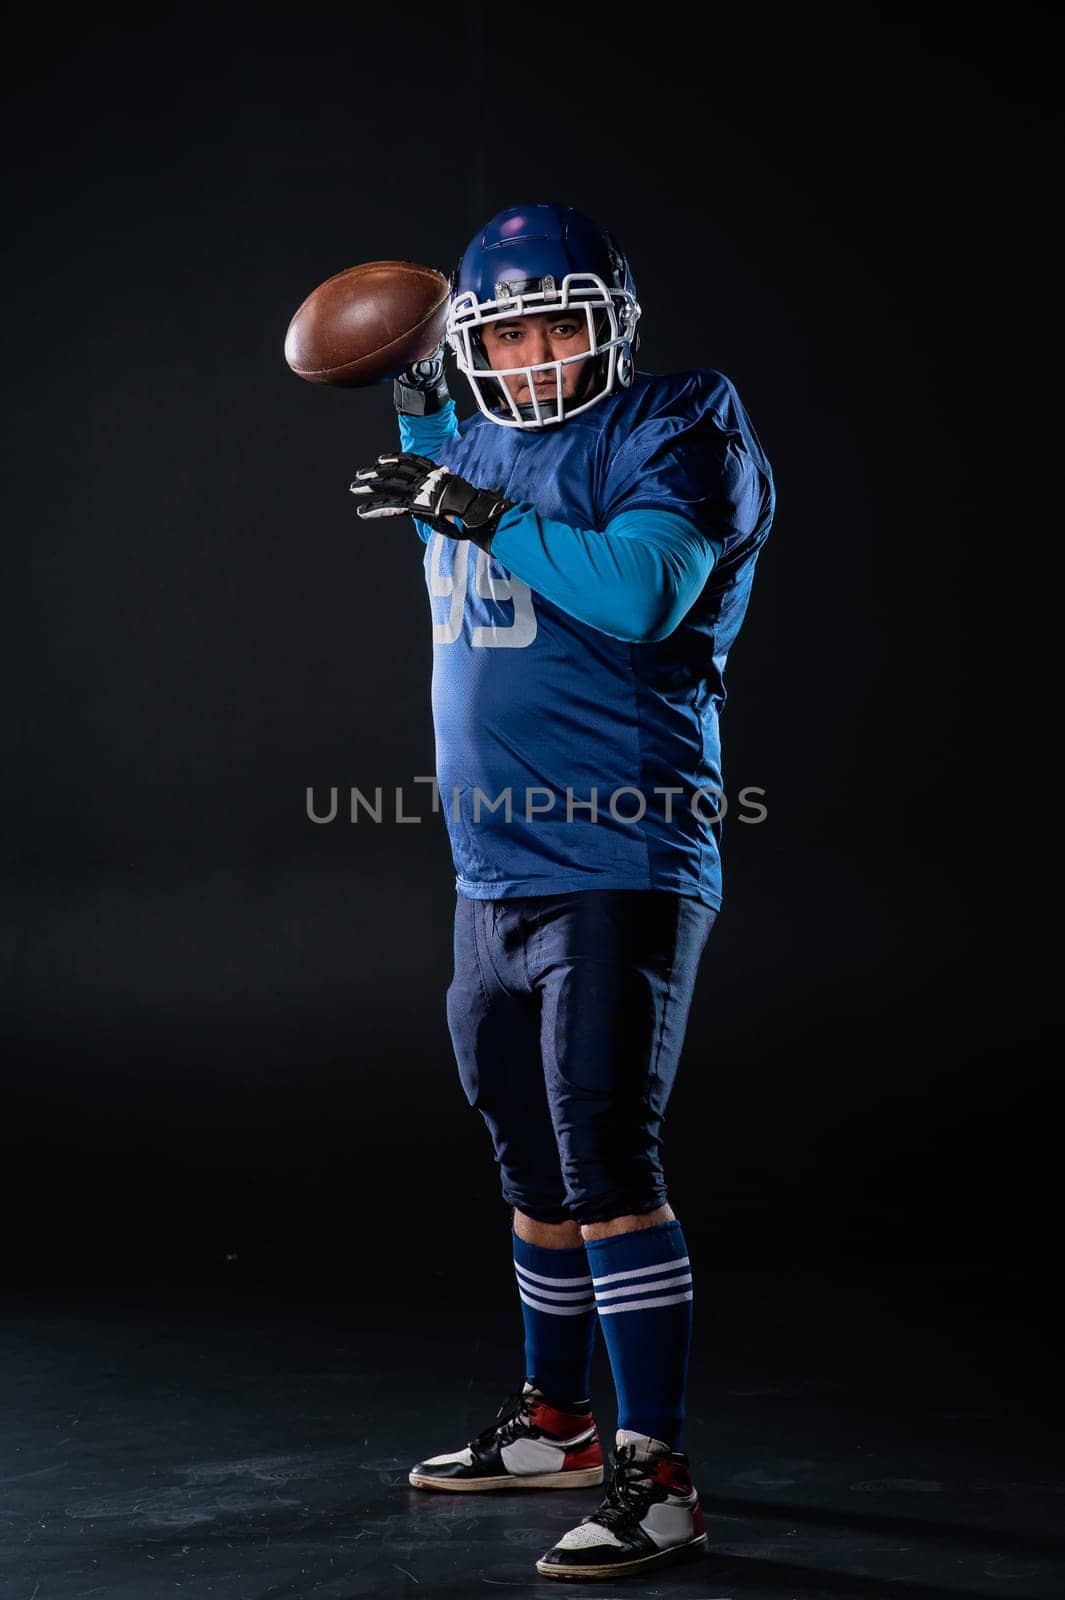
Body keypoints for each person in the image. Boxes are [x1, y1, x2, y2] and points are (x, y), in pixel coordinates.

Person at [349, 202, 775, 1581]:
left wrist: (473, 502)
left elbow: (645, 590)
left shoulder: (675, 426)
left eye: (553, 323)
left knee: (603, 1156)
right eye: (503, 329)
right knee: (528, 1158)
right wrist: (413, 399)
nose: (528, 354)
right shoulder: (463, 439)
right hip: (492, 867)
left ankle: (659, 1474)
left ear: (607, 327)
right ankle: (558, 1424)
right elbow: (432, 438)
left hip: (623, 847)